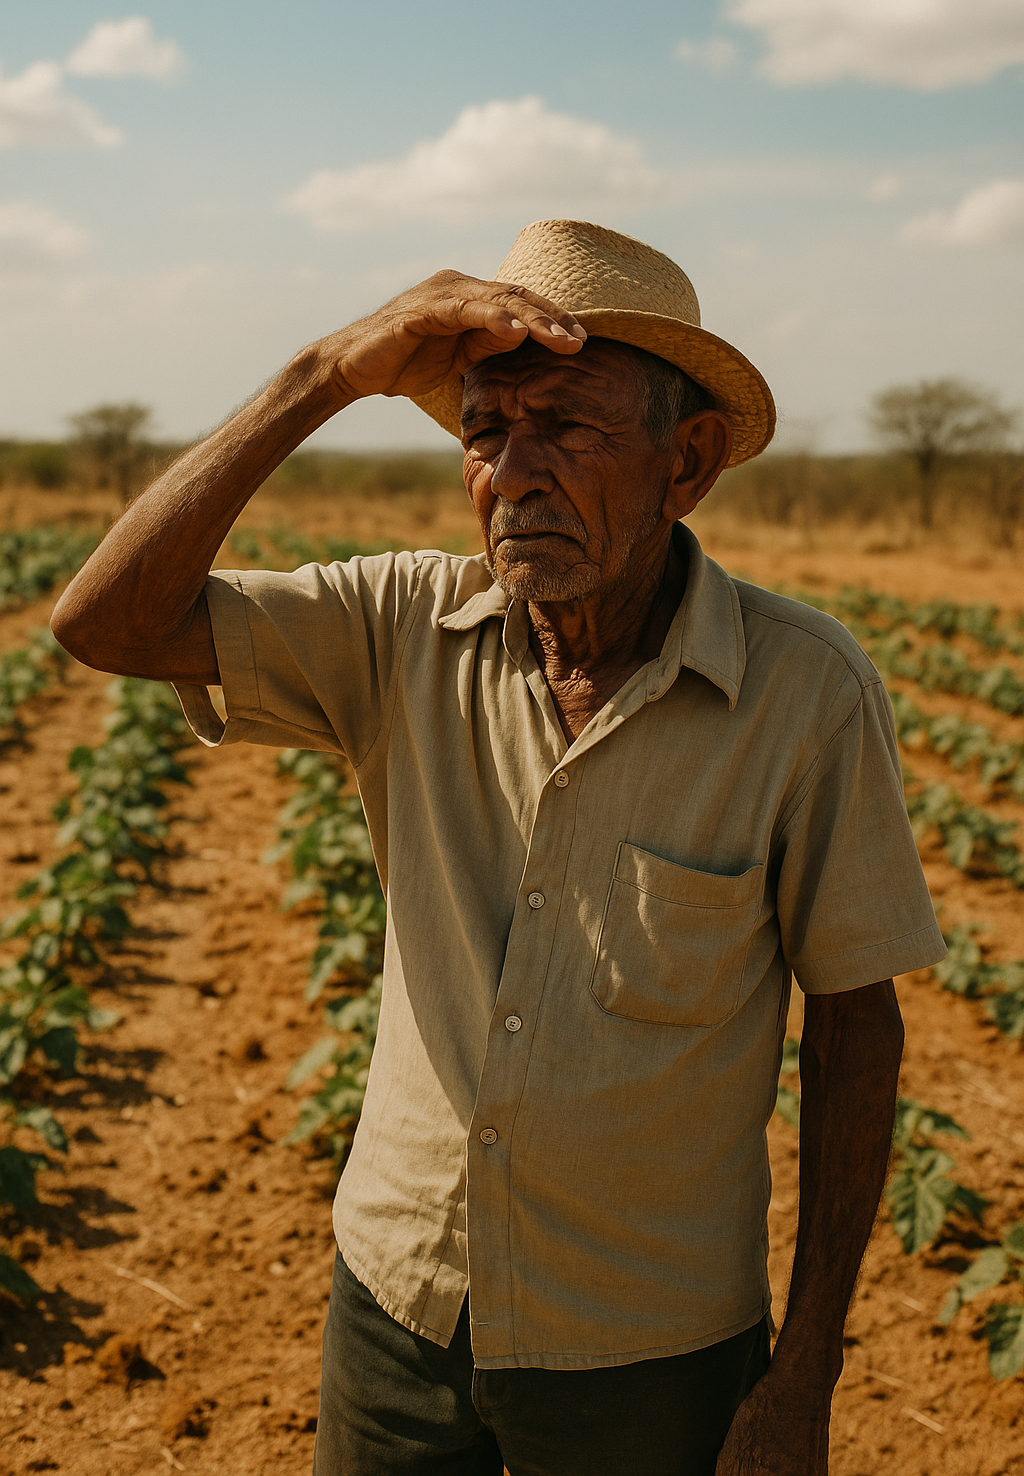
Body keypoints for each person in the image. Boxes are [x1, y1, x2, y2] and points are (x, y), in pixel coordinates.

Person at [52, 220, 945, 1476]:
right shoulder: (399, 628)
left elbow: (859, 1034)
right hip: (400, 1315)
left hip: (652, 1351)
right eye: (485, 429)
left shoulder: (804, 695)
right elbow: (106, 620)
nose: (513, 472)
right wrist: (323, 374)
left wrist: (803, 1380)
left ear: (685, 462)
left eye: (568, 427)